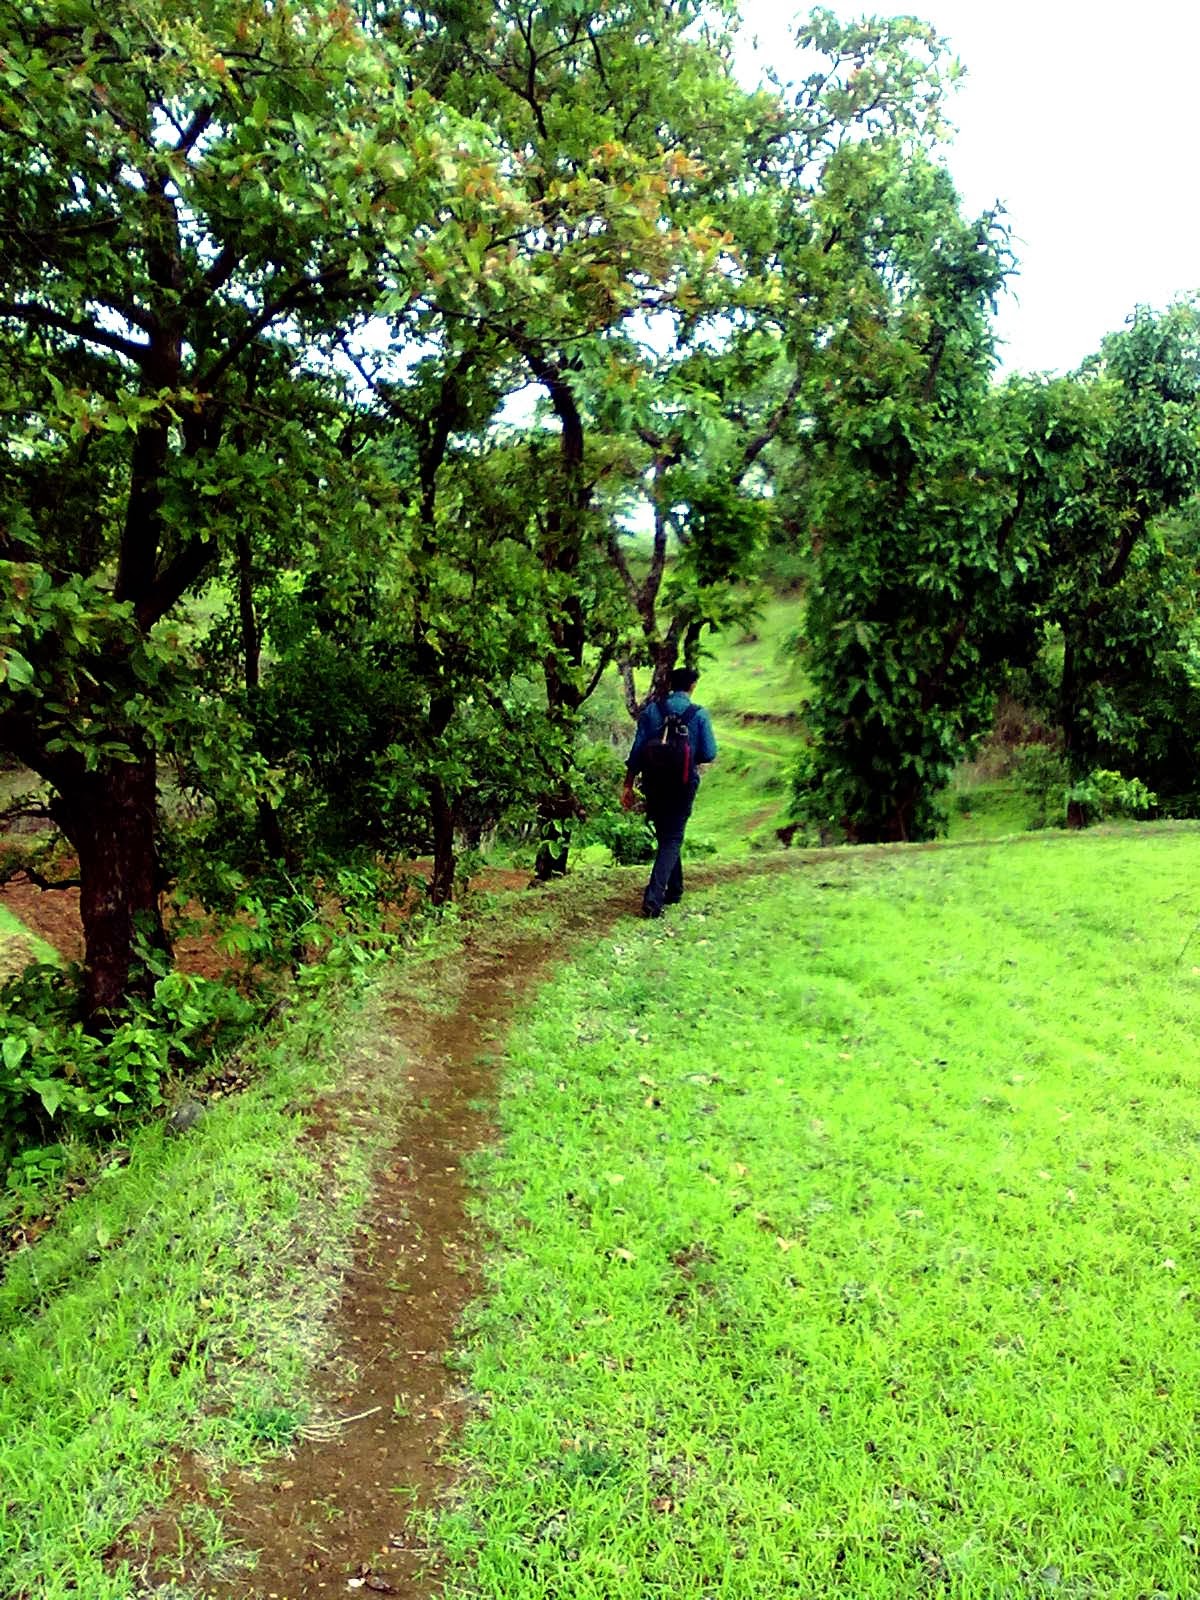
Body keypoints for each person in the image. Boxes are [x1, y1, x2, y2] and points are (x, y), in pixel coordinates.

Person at [621, 666, 717, 918]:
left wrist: (628, 785)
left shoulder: (652, 711)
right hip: (683, 785)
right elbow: (708, 753)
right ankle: (653, 900)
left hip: (653, 783)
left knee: (667, 836)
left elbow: (637, 752)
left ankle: (674, 890)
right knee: (672, 838)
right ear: (692, 686)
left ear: (670, 683)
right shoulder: (699, 715)